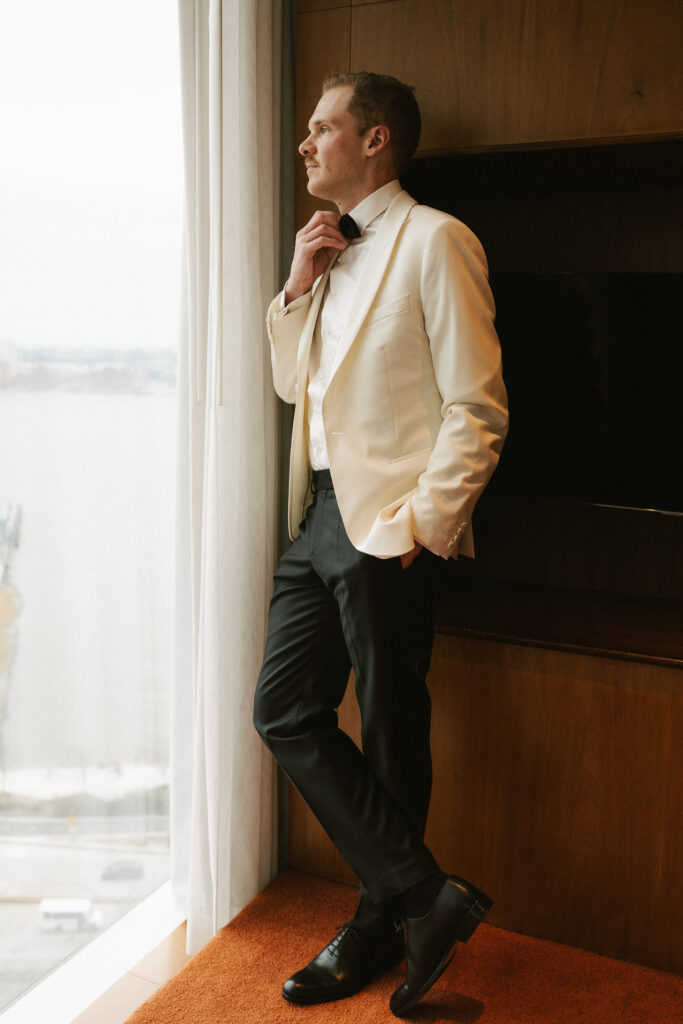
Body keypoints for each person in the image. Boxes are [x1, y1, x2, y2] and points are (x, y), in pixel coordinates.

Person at [253, 71, 508, 1018]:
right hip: (313, 515)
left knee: (393, 730)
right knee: (282, 710)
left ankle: (376, 924)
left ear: (376, 140)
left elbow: (476, 406)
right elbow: (293, 388)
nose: (305, 143)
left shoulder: (436, 240)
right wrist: (296, 285)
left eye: (322, 128)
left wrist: (424, 529)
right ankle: (424, 896)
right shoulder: (327, 250)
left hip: (389, 527)